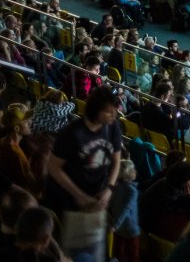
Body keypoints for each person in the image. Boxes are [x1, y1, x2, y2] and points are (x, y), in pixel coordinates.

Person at [46, 87, 123, 261]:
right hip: (72, 204)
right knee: (74, 253)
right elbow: (53, 167)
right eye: (109, 113)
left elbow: (116, 161)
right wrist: (79, 196)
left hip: (98, 198)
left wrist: (109, 189)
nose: (114, 116)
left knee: (96, 251)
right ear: (96, 110)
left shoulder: (112, 127)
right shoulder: (71, 133)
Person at [109, 159, 141, 262]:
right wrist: (116, 225)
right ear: (128, 173)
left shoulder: (115, 187)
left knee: (119, 253)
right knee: (133, 255)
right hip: (130, 228)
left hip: (117, 226)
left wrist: (115, 224)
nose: (135, 171)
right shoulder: (132, 190)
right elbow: (126, 209)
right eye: (133, 170)